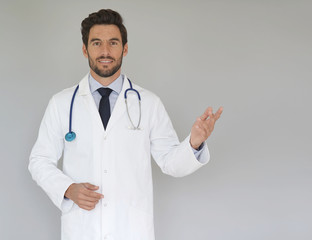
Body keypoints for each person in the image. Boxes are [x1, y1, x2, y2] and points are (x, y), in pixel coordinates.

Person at [29, 9, 223, 240]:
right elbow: (39, 161)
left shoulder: (149, 103)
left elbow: (170, 163)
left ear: (125, 48)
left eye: (113, 43)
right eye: (96, 43)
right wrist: (68, 189)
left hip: (131, 230)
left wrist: (194, 143)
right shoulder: (61, 103)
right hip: (82, 229)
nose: (105, 51)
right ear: (84, 49)